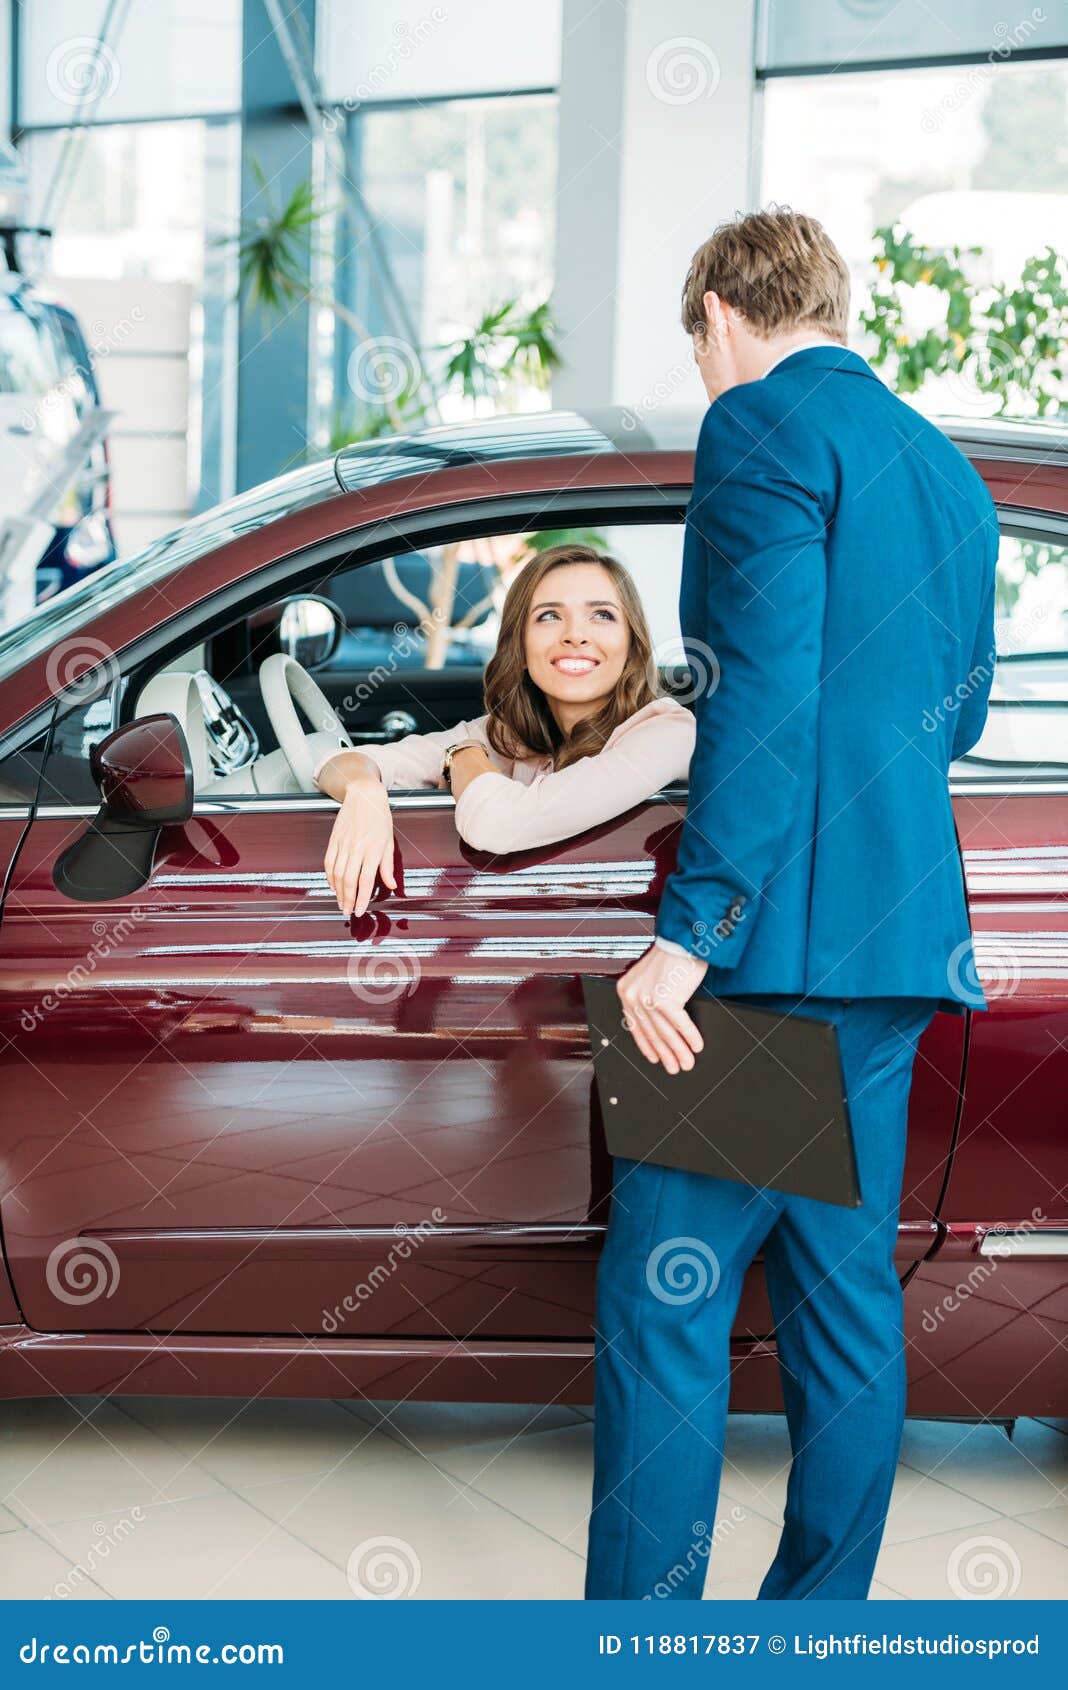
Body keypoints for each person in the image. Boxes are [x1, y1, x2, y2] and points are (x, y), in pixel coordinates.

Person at [586, 208, 999, 1601]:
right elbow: (960, 715)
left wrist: (689, 933)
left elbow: (758, 701)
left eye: (694, 339)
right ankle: (815, 1627)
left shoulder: (760, 427)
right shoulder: (948, 472)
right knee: (842, 1306)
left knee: (667, 1303)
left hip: (772, 954)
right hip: (897, 937)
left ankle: (640, 1638)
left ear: (717, 309)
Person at [314, 543, 695, 912]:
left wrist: (461, 755)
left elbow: (496, 826)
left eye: (602, 615)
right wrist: (363, 791)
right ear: (521, 646)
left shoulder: (669, 732)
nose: (576, 635)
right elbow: (340, 761)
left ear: (631, 643)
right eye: (549, 616)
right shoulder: (509, 736)